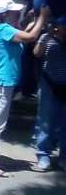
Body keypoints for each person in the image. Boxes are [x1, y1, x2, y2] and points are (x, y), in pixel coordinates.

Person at [0, 0, 48, 177]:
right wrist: (43, 18)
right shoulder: (4, 30)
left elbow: (23, 34)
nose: (17, 13)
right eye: (14, 12)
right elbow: (30, 37)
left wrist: (33, 20)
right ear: (5, 14)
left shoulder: (0, 29)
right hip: (0, 83)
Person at [33, 18, 66, 171]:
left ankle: (63, 157)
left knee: (64, 123)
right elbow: (37, 53)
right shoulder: (47, 38)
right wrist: (46, 36)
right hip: (48, 84)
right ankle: (43, 154)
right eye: (62, 25)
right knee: (45, 121)